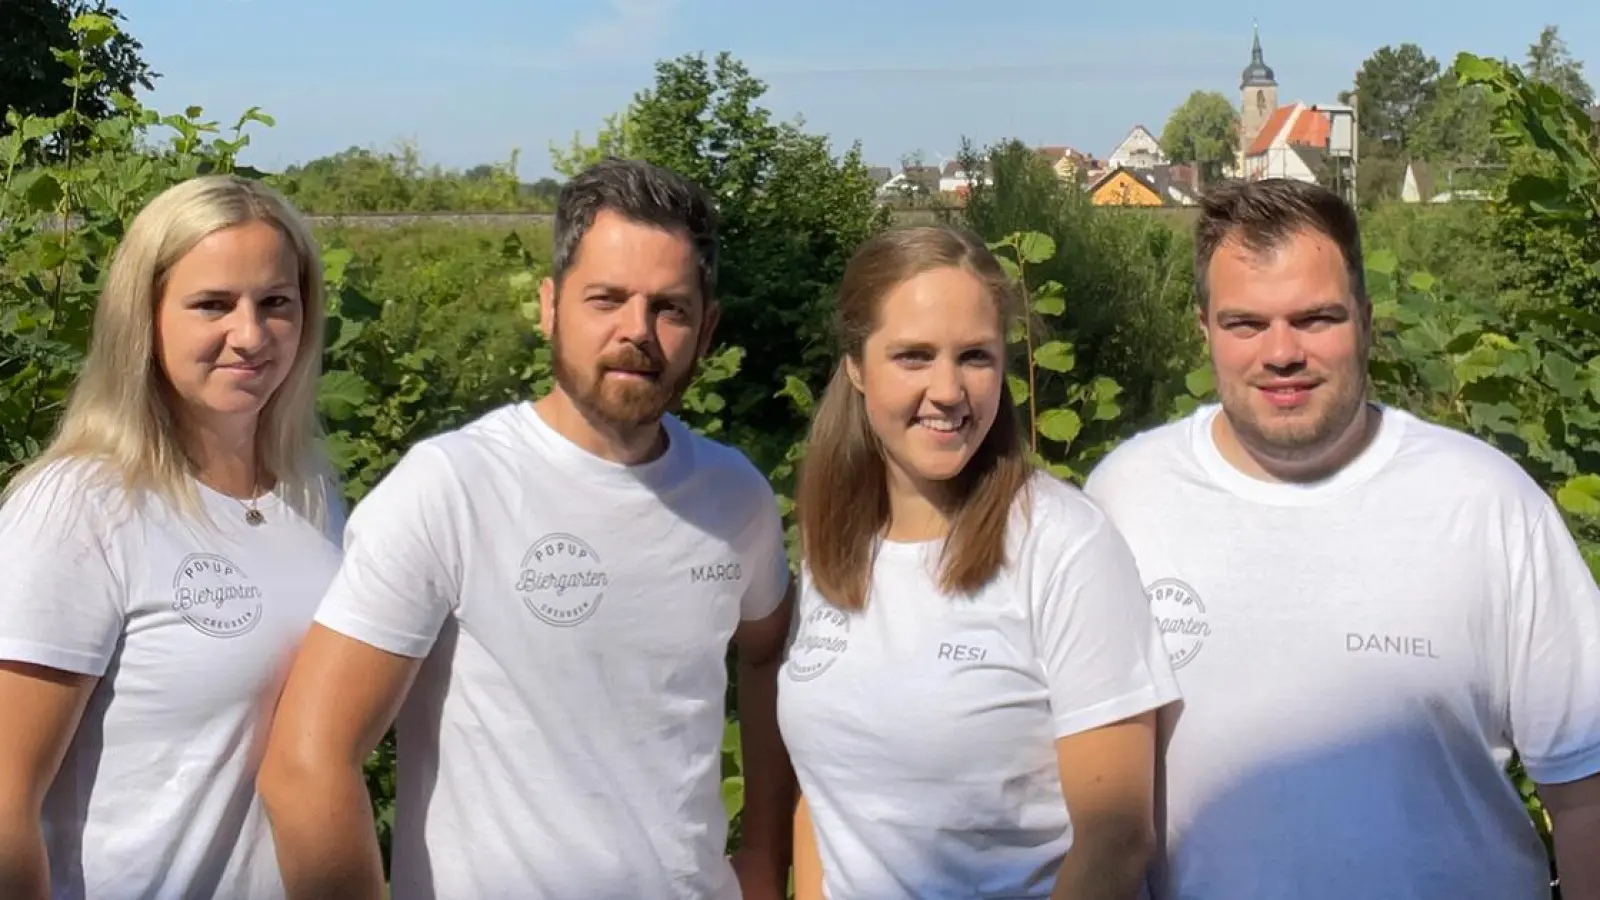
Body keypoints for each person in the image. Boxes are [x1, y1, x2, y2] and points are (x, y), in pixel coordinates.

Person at [257, 157, 796, 900]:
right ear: (549, 307)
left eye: (669, 308)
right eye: (605, 299)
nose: (636, 332)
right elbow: (306, 762)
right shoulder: (452, 488)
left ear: (706, 330)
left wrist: (764, 860)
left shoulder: (736, 495)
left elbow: (770, 658)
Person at [1083, 177, 1600, 900]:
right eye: (1245, 324)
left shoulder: (1484, 501)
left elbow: (1586, 791)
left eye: (1316, 318)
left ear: (1365, 319)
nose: (1282, 352)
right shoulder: (1125, 498)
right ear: (1204, 328)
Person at [776, 223, 1182, 899]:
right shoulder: (832, 547)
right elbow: (826, 805)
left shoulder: (1061, 547)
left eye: (974, 357)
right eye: (913, 356)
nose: (948, 389)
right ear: (855, 365)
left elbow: (1115, 841)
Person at [0, 174, 345, 900]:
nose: (249, 336)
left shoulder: (311, 497)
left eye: (275, 304)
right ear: (144, 319)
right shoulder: (82, 506)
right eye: (212, 305)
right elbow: (5, 801)